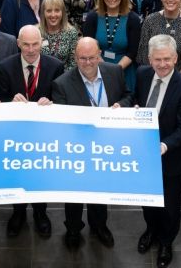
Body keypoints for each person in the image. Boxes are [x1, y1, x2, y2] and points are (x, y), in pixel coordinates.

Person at [51, 37, 133, 251]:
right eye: (82, 58)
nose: (87, 62)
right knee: (74, 194)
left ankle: (99, 226)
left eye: (91, 58)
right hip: (77, 148)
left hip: (106, 146)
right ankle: (73, 229)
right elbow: (61, 122)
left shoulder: (114, 72)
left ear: (99, 56)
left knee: (100, 190)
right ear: (75, 58)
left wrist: (121, 106)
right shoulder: (62, 84)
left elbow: (127, 95)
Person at [0, 25, 65, 238]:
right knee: (17, 174)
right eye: (26, 44)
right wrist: (7, 100)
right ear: (18, 44)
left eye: (35, 44)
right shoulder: (6, 66)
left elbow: (61, 96)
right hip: (16, 134)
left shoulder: (55, 66)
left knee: (40, 175)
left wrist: (51, 101)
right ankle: (18, 213)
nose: (31, 49)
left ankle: (41, 214)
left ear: (41, 43)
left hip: (43, 134)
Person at [134, 35, 181, 268]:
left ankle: (166, 242)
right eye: (158, 59)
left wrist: (164, 145)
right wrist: (131, 107)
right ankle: (151, 230)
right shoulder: (142, 75)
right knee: (147, 199)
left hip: (169, 157)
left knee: (169, 205)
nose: (162, 64)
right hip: (143, 153)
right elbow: (135, 98)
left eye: (167, 59)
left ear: (176, 58)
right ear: (149, 59)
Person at [82, 0, 141, 91]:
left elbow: (132, 52)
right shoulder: (92, 17)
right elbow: (89, 48)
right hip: (96, 69)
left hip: (125, 71)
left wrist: (115, 71)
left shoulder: (132, 19)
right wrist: (105, 69)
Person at [38, 0, 79, 70]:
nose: (53, 15)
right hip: (40, 77)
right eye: (49, 11)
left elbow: (73, 63)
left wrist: (61, 80)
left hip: (63, 78)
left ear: (62, 12)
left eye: (57, 10)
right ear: (43, 13)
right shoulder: (36, 32)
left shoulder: (71, 32)